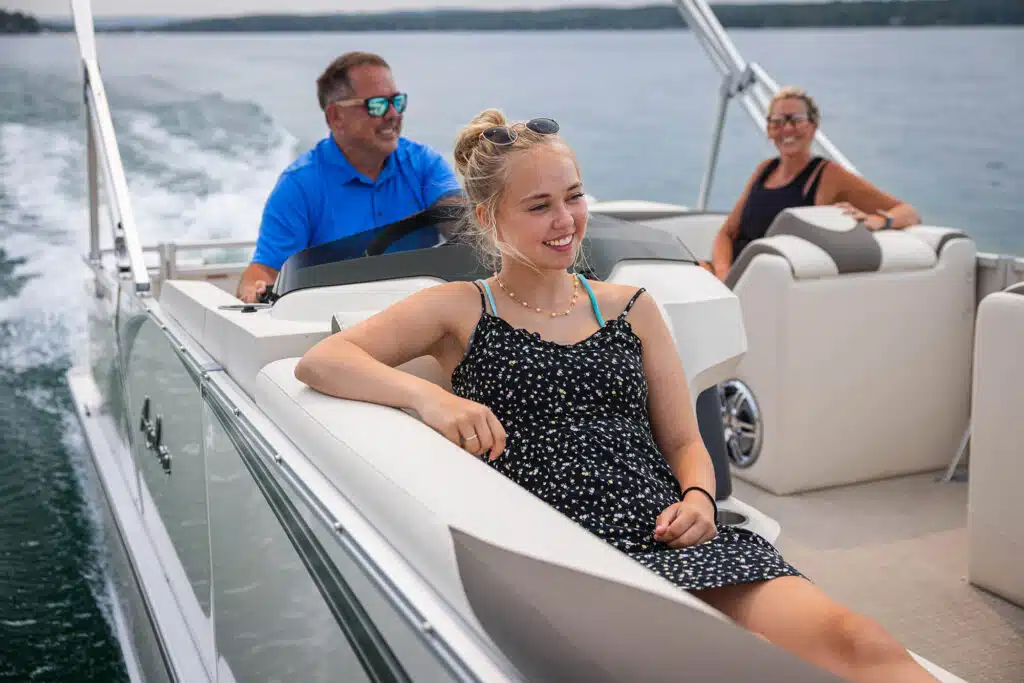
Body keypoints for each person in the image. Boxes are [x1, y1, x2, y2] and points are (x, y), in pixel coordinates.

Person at [294, 109, 938, 683]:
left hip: (670, 534)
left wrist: (698, 499)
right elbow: (324, 360)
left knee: (856, 641)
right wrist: (429, 399)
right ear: (489, 219)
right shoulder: (459, 309)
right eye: (539, 205)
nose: (566, 220)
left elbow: (685, 441)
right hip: (557, 557)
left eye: (573, 198)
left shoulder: (632, 307)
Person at [236, 51, 462, 303]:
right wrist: (255, 291)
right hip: (334, 327)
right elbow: (264, 271)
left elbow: (461, 224)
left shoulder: (424, 165)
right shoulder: (299, 185)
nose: (393, 115)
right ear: (336, 117)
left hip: (422, 318)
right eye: (377, 105)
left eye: (396, 102)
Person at [706, 86, 921, 281]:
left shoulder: (829, 175)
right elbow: (727, 234)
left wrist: (878, 221)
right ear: (769, 129)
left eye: (796, 119)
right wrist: (724, 274)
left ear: (813, 126)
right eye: (777, 121)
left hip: (767, 286)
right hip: (730, 277)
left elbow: (909, 212)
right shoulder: (764, 170)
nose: (786, 129)